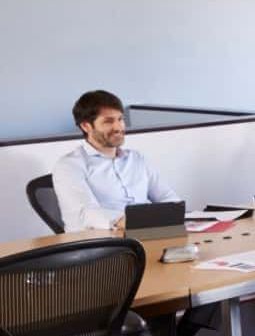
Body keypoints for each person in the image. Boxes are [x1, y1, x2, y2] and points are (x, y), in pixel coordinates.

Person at [51, 90, 182, 232]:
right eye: (108, 121)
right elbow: (86, 213)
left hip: (144, 234)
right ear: (86, 126)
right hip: (101, 244)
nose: (118, 127)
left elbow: (168, 198)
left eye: (120, 119)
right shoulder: (69, 165)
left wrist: (174, 214)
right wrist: (135, 221)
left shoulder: (136, 158)